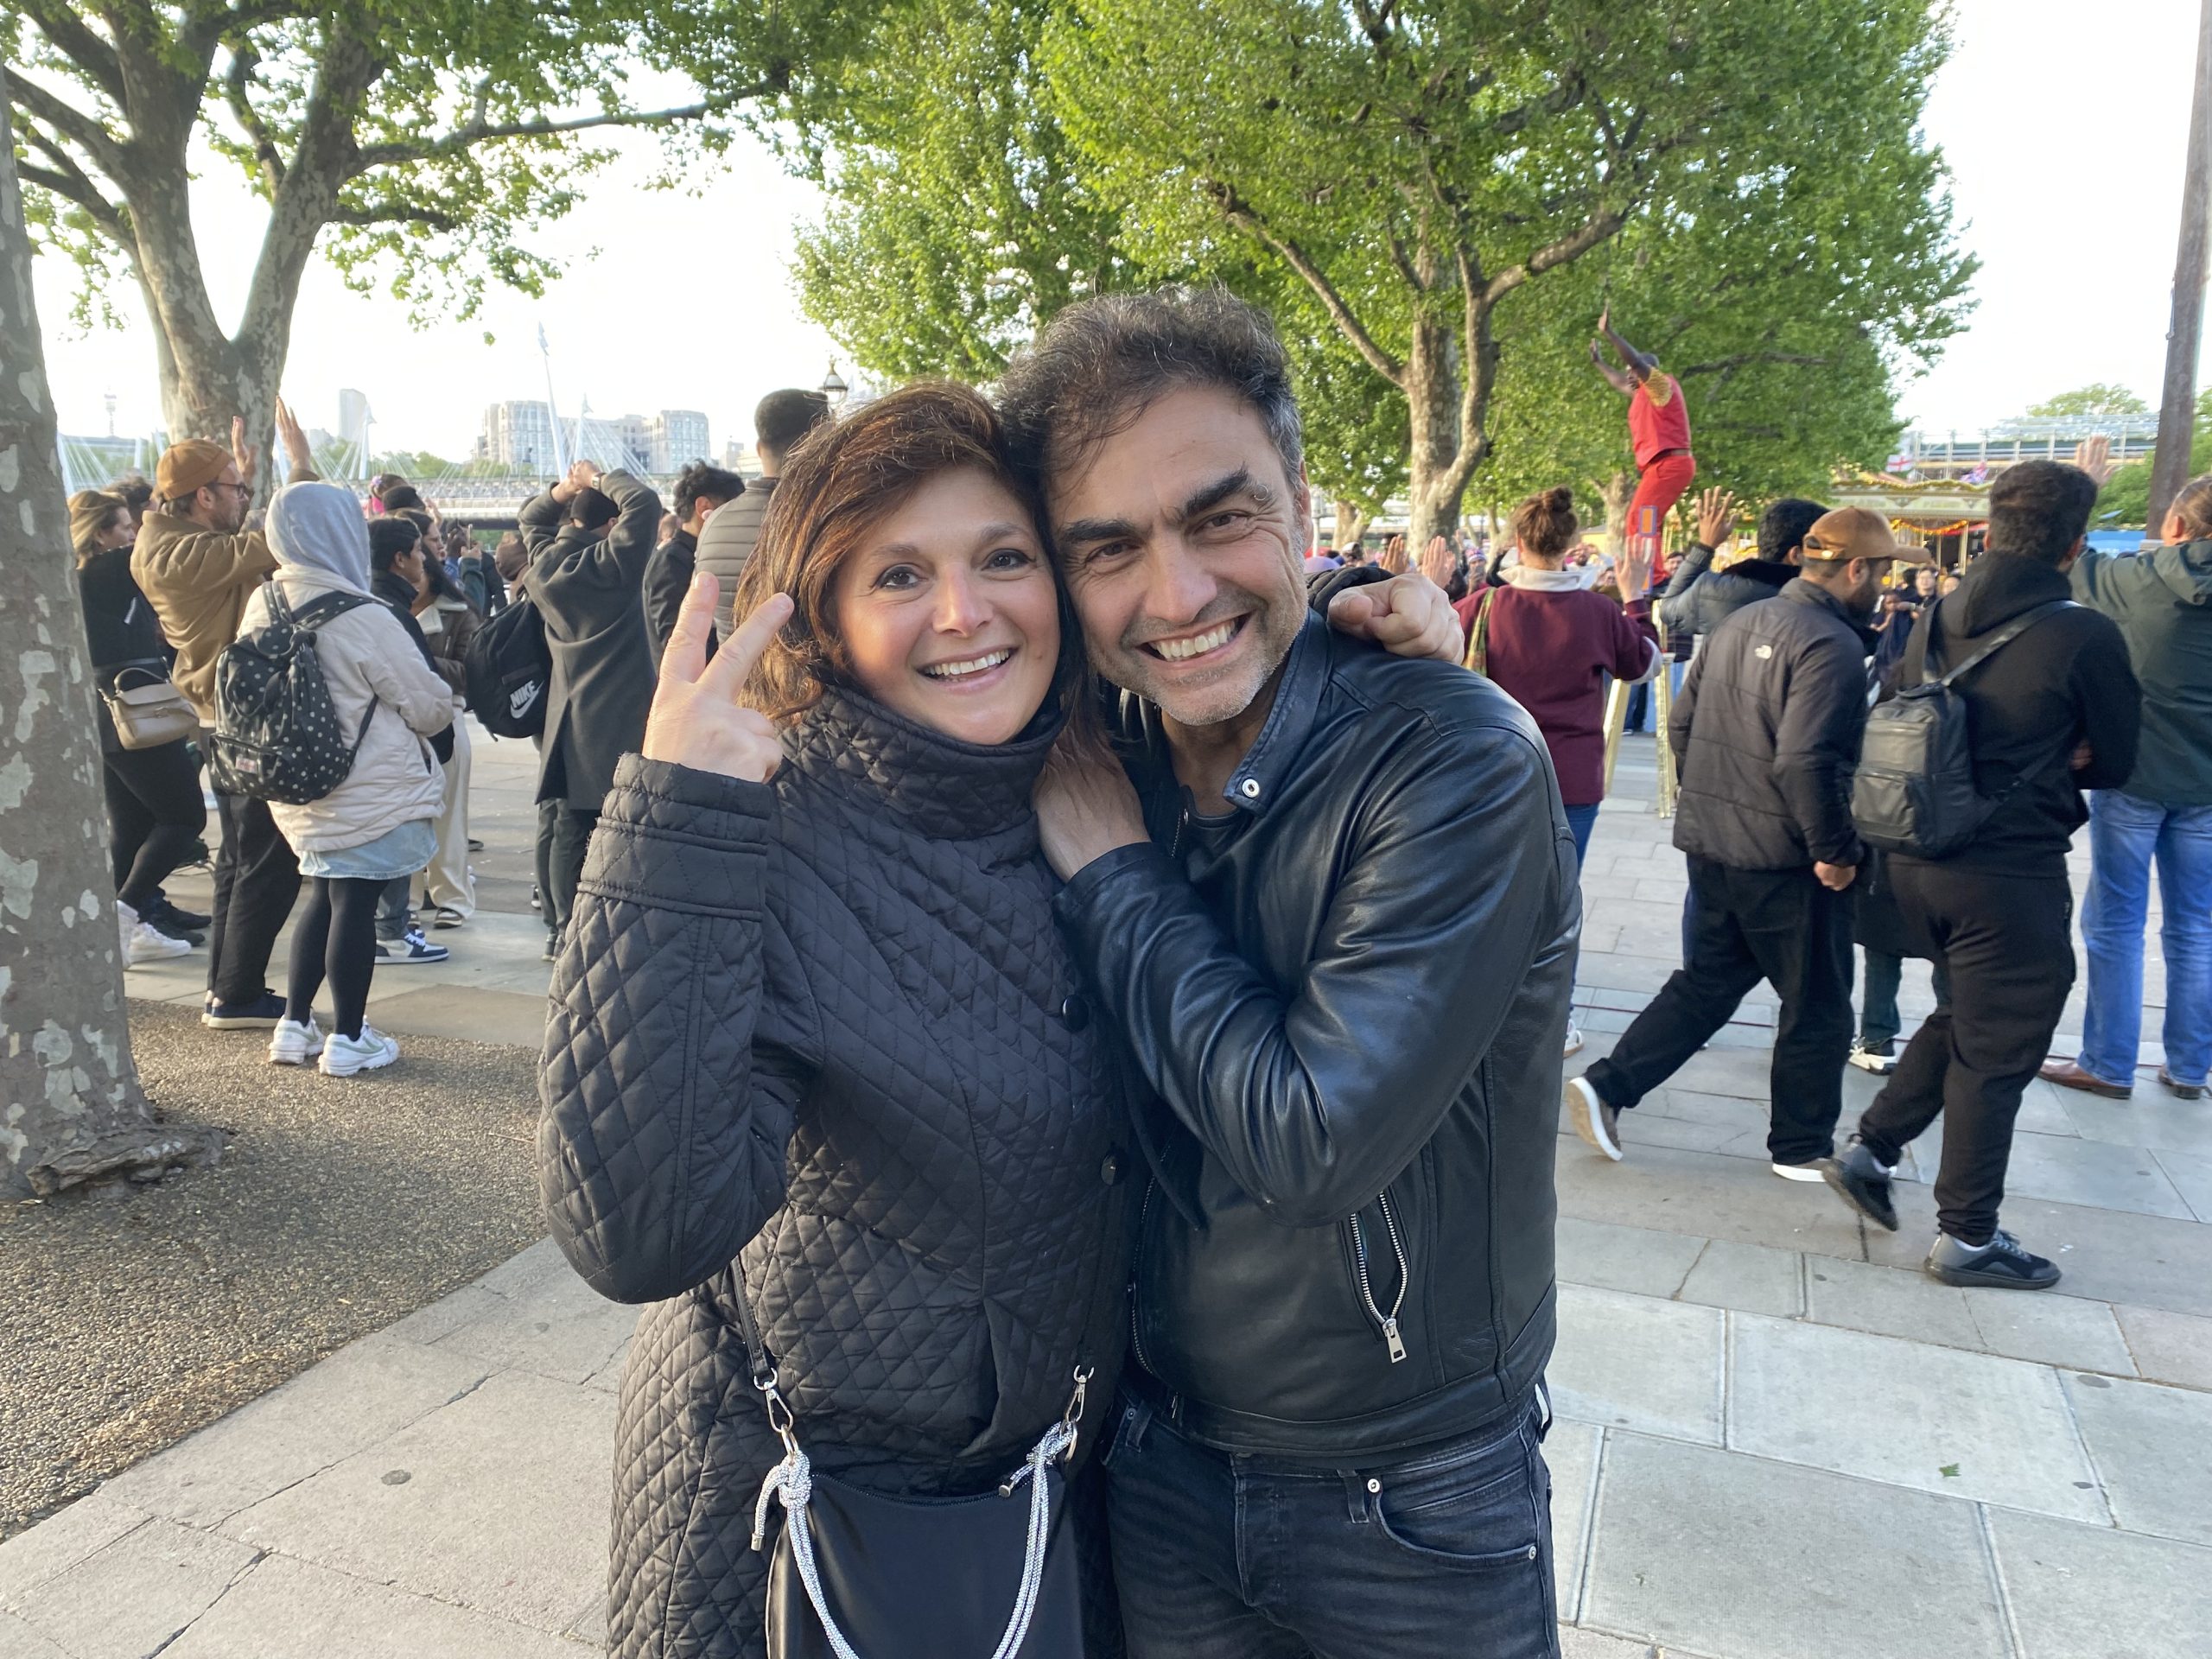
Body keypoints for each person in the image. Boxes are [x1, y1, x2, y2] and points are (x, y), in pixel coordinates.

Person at [537, 380, 1458, 1659]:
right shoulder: (769, 832)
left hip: (1057, 1492)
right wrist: (673, 827)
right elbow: (639, 1235)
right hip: (815, 1525)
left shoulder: (1096, 766)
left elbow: (1195, 624)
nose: (965, 613)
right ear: (824, 617)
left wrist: (1359, 613)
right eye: (898, 576)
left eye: (1005, 559)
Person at [1005, 288, 1574, 1659]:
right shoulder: (1100, 743)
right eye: (1109, 549)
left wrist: (1116, 876)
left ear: (1302, 507)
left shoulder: (1452, 758)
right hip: (1153, 1454)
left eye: (1220, 519)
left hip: (1410, 1492)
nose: (1176, 594)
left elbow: (1315, 1137)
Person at [1826, 461, 2140, 1290]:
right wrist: (2066, 748)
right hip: (2008, 875)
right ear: (2074, 545)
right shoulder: (2085, 636)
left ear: (1992, 531)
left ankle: (1872, 1148)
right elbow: (2118, 762)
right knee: (1999, 1052)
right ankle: (1967, 1236)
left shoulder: (1933, 617)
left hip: (1913, 860)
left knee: (1967, 1014)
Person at [1565, 507, 1927, 1179]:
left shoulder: (1742, 621)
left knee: (1709, 983)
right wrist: (1834, 849)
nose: (1884, 584)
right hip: (1786, 854)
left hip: (1716, 842)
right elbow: (1806, 760)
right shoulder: (1832, 645)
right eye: (1881, 571)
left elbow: (1683, 725)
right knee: (1818, 1001)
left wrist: (1713, 803)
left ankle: (1608, 1085)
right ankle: (1801, 1145)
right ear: (1856, 569)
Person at [243, 482, 453, 1076]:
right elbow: (427, 707)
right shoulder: (365, 614)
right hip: (367, 787)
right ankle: (351, 1038)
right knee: (355, 904)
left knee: (324, 895)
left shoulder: (264, 603)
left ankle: (295, 1025)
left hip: (294, 781)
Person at [132, 401, 316, 1029]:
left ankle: (226, 989)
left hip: (223, 715)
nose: (244, 496)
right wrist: (300, 469)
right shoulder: (176, 555)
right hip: (239, 718)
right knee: (266, 860)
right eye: (235, 489)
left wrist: (246, 476)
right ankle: (237, 994)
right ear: (203, 498)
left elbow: (240, 538)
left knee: (240, 860)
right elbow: (278, 538)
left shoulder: (175, 539)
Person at [2040, 474, 2212, 1102]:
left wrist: (2087, 486)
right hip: (2208, 786)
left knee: (2116, 922)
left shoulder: (2141, 580)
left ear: (2175, 526)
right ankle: (2190, 1066)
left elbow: (2070, 559)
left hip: (2134, 773)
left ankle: (2109, 1063)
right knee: (2197, 928)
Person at [1458, 487, 1660, 871]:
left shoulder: (1482, 608)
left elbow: (1425, 655)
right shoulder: (1600, 611)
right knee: (1561, 891)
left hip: (1494, 775)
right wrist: (1635, 597)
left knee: (1492, 891)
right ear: (1571, 543)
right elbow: (1646, 665)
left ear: (1519, 542)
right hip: (1574, 777)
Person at [519, 460, 664, 948]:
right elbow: (645, 502)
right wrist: (596, 478)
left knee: (568, 825)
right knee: (614, 828)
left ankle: (560, 929)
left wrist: (566, 488)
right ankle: (597, 927)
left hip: (566, 713)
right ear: (611, 524)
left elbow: (532, 519)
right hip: (616, 715)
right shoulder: (612, 565)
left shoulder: (543, 565)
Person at [73, 489, 206, 963]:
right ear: (100, 535)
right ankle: (125, 914)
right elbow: (158, 542)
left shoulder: (88, 579)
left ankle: (127, 928)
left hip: (108, 716)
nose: (134, 533)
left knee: (131, 828)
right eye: (125, 527)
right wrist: (171, 503)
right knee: (185, 818)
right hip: (137, 713)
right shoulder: (104, 570)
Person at [365, 518, 455, 965]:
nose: (425, 558)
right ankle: (391, 930)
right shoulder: (390, 612)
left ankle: (389, 927)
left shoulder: (365, 601)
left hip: (368, 746)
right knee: (396, 834)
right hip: (394, 744)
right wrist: (441, 738)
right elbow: (419, 687)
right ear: (399, 559)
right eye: (419, 550)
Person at [695, 389, 831, 634]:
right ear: (823, 445)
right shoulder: (831, 519)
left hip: (733, 659)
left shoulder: (714, 524)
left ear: (759, 449)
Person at [1590, 307, 1696, 567]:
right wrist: (1599, 363)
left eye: (1632, 370)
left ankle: (1653, 576)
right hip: (1661, 466)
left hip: (1669, 463)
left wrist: (1610, 333)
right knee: (1645, 518)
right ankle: (1653, 572)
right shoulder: (1641, 394)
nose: (1628, 374)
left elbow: (1636, 363)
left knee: (1641, 518)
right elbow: (1618, 381)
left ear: (1646, 371)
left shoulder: (1661, 386)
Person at [415, 550, 484, 929]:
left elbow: (469, 672)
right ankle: (405, 902)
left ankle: (452, 898)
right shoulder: (382, 611)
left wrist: (418, 659)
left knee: (449, 814)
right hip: (399, 722)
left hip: (446, 716)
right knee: (404, 816)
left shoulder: (458, 613)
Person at [642, 460, 745, 659]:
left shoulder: (687, 555)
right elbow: (675, 642)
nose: (738, 521)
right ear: (704, 507)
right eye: (733, 511)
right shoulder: (671, 561)